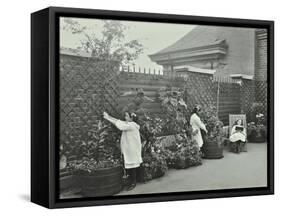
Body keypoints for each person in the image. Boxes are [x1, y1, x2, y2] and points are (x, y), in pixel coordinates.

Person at [103, 111, 142, 191]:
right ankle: (131, 181)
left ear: (131, 118)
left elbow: (119, 125)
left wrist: (108, 118)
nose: (125, 117)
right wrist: (108, 116)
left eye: (127, 116)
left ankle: (133, 182)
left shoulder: (131, 125)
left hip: (132, 149)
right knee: (130, 166)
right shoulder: (129, 124)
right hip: (130, 149)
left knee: (132, 166)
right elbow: (119, 122)